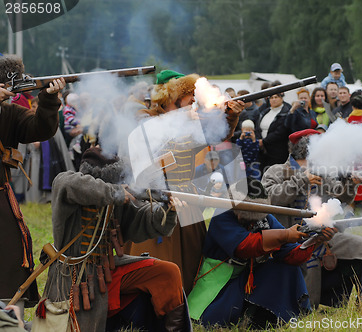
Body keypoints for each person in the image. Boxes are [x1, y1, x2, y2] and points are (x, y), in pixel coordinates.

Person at [124, 70, 244, 295]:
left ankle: (181, 301)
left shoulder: (190, 124)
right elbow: (145, 157)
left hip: (185, 200)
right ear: (173, 100)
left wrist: (231, 116)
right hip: (152, 201)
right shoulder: (147, 121)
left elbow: (217, 135)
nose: (194, 107)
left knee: (188, 260)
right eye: (190, 102)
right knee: (149, 262)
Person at [45, 147, 190, 331]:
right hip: (73, 278)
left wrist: (169, 211)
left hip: (108, 270)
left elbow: (146, 220)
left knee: (167, 272)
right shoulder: (69, 184)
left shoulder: (119, 200)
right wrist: (115, 192)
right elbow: (66, 183)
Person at [187, 177, 334, 328]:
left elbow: (289, 255)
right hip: (220, 276)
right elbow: (244, 246)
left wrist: (315, 240)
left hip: (250, 274)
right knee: (212, 320)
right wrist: (285, 235)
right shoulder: (222, 214)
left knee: (288, 268)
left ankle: (268, 315)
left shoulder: (265, 217)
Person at [261, 129, 362, 308]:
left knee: (361, 245)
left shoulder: (322, 171)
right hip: (289, 238)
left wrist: (351, 184)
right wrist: (302, 180)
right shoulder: (277, 171)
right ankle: (305, 307)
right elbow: (271, 199)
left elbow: (340, 200)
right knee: (308, 261)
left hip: (322, 235)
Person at [0, 54, 66, 316]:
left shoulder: (11, 112)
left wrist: (49, 99)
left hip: (1, 194)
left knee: (12, 255)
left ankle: (7, 313)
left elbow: (39, 129)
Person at [255, 87, 291, 172]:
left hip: (278, 150)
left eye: (276, 97)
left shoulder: (285, 112)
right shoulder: (264, 112)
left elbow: (281, 131)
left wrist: (264, 141)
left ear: (281, 98)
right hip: (263, 150)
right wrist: (259, 140)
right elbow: (257, 127)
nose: (274, 99)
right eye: (271, 98)